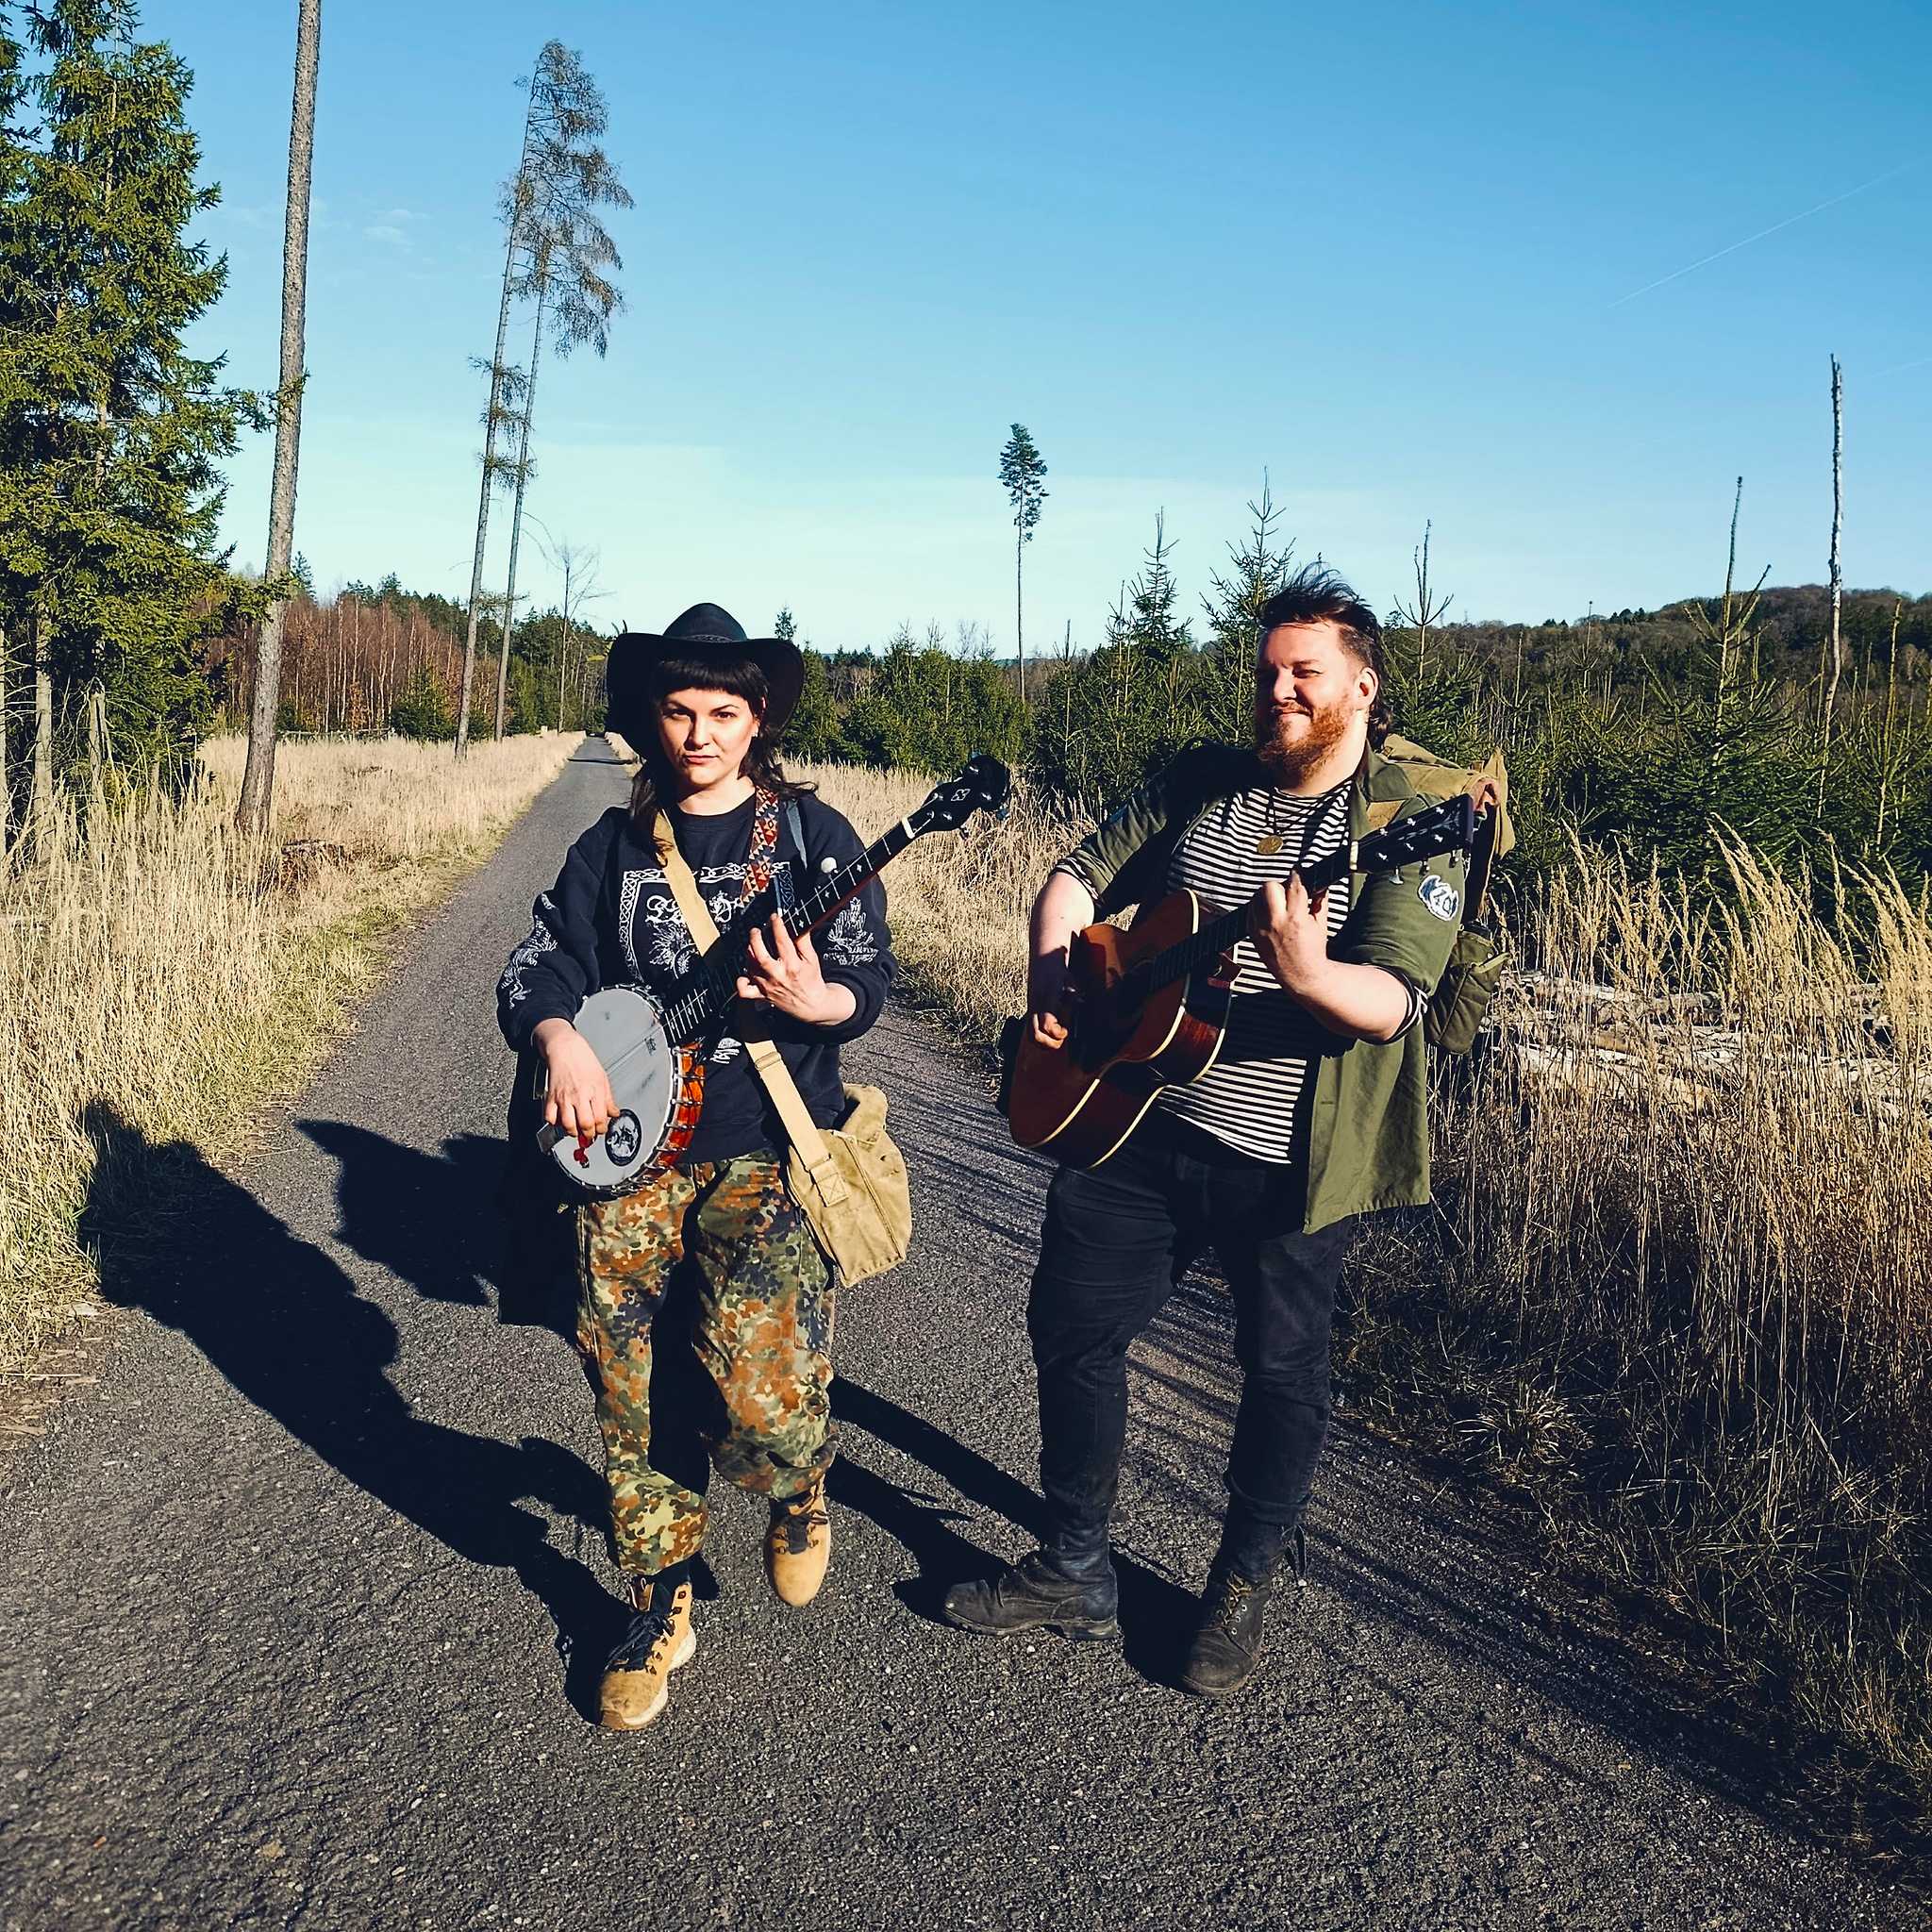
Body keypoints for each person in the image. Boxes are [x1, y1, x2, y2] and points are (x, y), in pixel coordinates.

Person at [944, 565, 1467, 1697]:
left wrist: (1307, 972)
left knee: (1280, 1372)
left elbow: (1392, 998)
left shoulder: (1402, 820)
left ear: (1362, 687)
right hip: (1137, 1116)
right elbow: (1076, 873)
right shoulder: (1204, 784)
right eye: (1267, 671)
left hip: (1283, 1157)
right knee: (1070, 1325)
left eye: (1304, 673)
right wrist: (1052, 966)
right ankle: (1074, 1563)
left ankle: (1237, 1585)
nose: (1278, 691)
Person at [496, 603, 892, 1731]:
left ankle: (797, 1478)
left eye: (722, 712)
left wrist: (822, 999)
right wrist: (558, 1036)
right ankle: (657, 1599)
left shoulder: (811, 838)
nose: (699, 734)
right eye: (678, 710)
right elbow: (537, 959)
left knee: (758, 1401)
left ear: (756, 719)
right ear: (651, 717)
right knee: (630, 1388)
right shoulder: (610, 846)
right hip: (624, 1163)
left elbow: (866, 974)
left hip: (763, 1152)